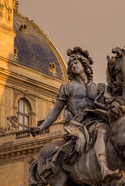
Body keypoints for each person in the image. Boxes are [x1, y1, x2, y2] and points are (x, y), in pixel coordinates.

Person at [30, 47, 116, 179]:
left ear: (84, 65)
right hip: (77, 124)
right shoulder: (67, 87)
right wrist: (42, 127)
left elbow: (106, 107)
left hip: (94, 121)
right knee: (101, 131)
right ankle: (104, 168)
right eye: (71, 64)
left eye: (75, 63)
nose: (72, 66)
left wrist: (106, 93)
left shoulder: (96, 87)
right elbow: (56, 110)